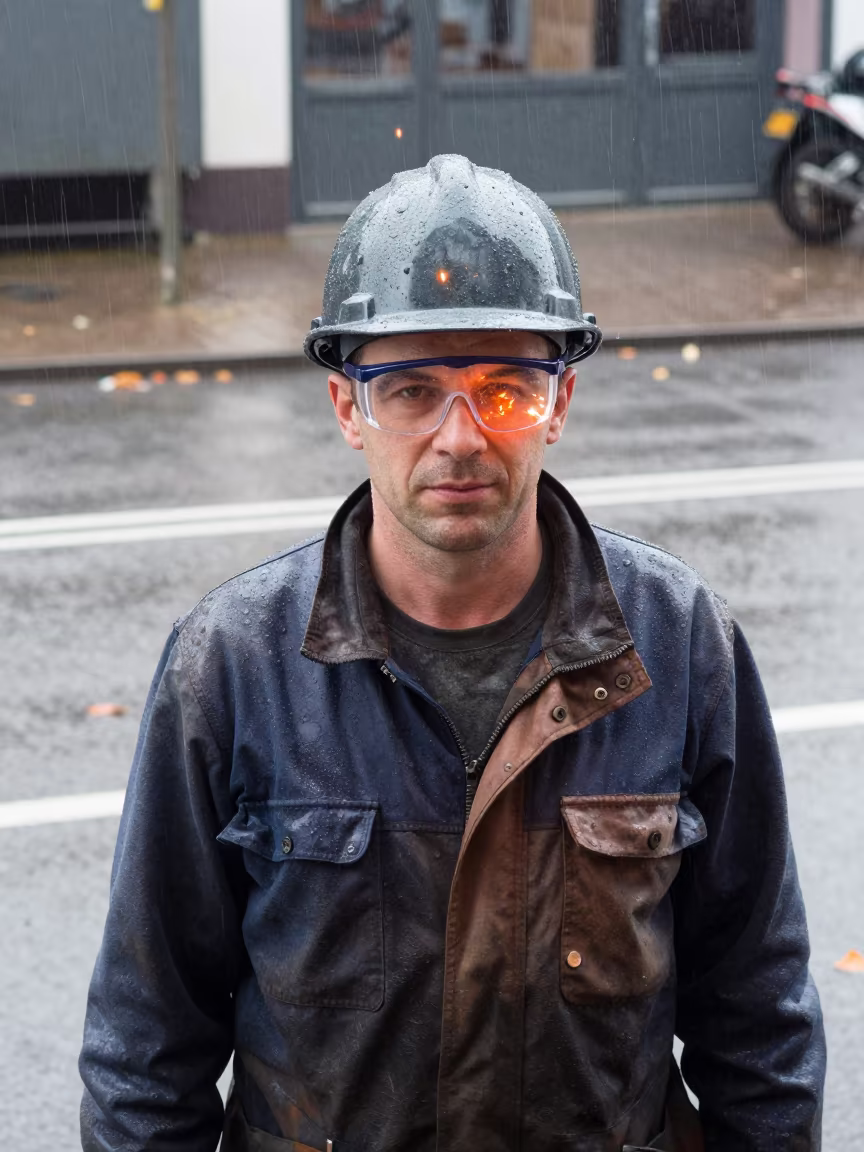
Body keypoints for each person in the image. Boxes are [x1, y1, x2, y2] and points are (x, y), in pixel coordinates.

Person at [79, 155, 825, 1152]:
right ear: (349, 408)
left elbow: (759, 1020)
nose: (462, 435)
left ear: (560, 401)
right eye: (411, 389)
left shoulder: (682, 645)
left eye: (506, 387)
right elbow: (147, 1048)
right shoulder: (232, 665)